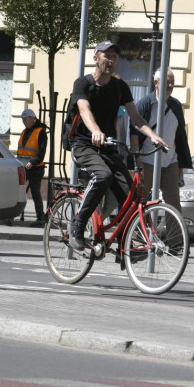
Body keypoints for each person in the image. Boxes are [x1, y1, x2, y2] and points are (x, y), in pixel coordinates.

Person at [66, 41, 166, 251]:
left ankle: (124, 246)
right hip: (83, 143)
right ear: (96, 58)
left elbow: (136, 118)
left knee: (129, 193)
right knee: (103, 175)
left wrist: (153, 135)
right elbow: (84, 110)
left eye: (114, 57)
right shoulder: (83, 84)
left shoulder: (120, 87)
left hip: (108, 145)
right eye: (106, 56)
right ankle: (78, 224)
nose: (111, 61)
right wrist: (95, 130)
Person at [132, 69, 193, 212]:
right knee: (141, 202)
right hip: (147, 161)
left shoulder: (176, 105)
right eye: (167, 82)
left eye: (172, 82)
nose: (170, 85)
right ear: (156, 83)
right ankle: (136, 233)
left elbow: (180, 137)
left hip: (170, 161)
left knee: (173, 204)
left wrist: (180, 167)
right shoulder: (145, 104)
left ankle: (176, 235)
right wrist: (137, 162)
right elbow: (134, 132)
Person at [16, 108, 47, 225]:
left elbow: (42, 152)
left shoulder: (40, 132)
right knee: (18, 191)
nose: (23, 121)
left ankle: (40, 218)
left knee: (35, 193)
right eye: (22, 120)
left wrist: (33, 162)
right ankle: (13, 215)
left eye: (25, 119)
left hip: (36, 168)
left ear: (32, 119)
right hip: (23, 166)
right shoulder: (24, 132)